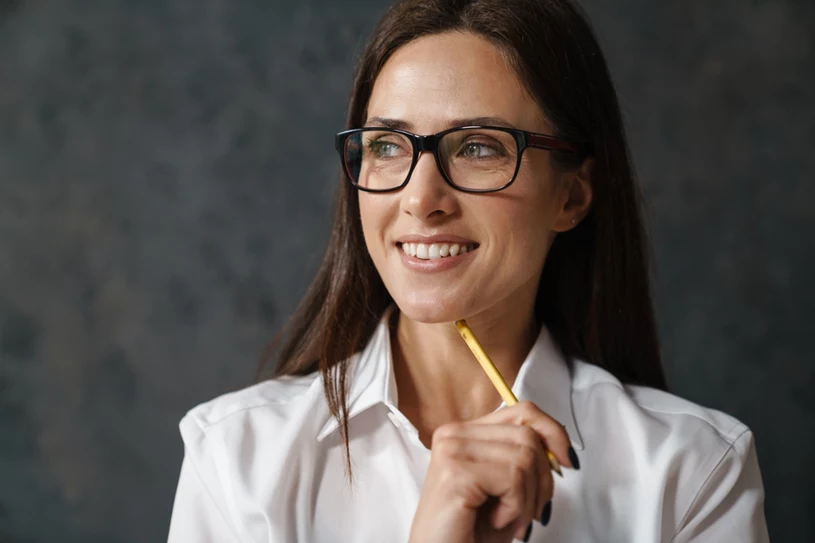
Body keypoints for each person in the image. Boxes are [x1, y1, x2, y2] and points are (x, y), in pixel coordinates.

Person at [167, 0, 770, 541]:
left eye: (479, 147)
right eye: (387, 146)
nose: (420, 199)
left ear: (572, 196)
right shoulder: (234, 460)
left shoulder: (692, 473)